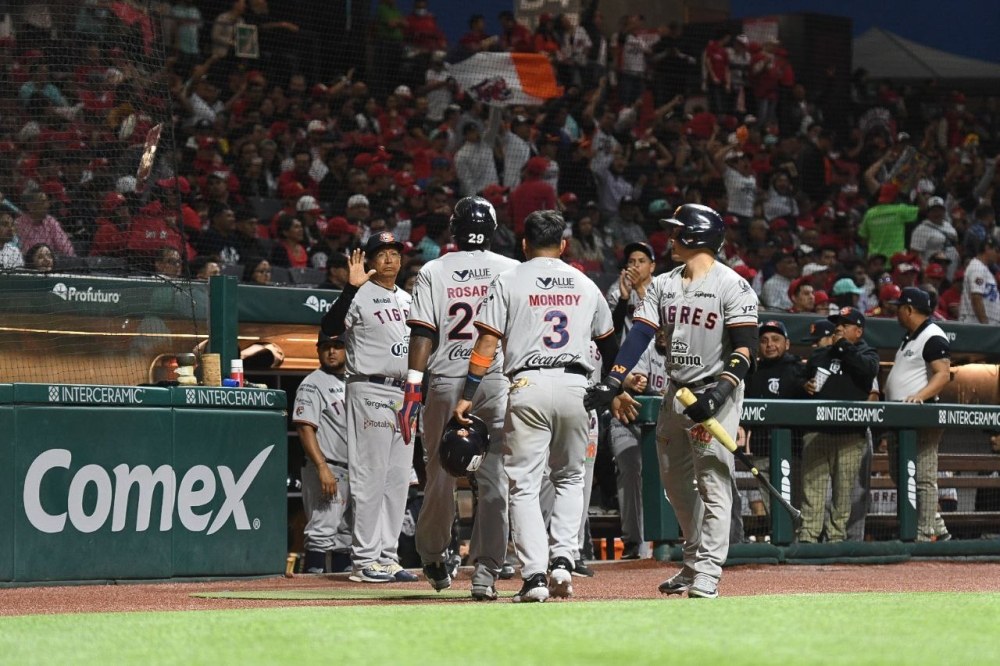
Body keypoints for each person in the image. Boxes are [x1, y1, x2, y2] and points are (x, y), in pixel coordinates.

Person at [587, 203, 759, 599]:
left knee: (713, 483)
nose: (671, 237)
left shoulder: (733, 285)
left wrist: (717, 395)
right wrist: (614, 381)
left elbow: (747, 350)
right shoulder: (664, 284)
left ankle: (709, 572)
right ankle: (693, 561)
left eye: (678, 230)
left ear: (697, 236)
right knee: (677, 487)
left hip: (716, 392)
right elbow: (639, 334)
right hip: (676, 393)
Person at [452, 210, 618, 603]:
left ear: (524, 244)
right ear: (564, 245)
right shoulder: (585, 282)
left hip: (528, 383)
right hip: (579, 385)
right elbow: (611, 345)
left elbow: (487, 346)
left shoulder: (509, 279)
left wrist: (467, 394)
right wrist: (614, 386)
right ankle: (564, 558)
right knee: (570, 478)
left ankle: (534, 578)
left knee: (524, 485)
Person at [398, 196, 519, 600]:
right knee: (495, 478)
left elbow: (423, 331)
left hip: (448, 378)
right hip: (497, 378)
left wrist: (414, 384)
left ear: (454, 229)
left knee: (440, 472)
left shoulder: (434, 268)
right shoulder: (512, 268)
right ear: (494, 228)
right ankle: (485, 571)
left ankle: (432, 555)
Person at [320, 232, 417, 584]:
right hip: (370, 387)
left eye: (395, 253)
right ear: (370, 261)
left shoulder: (410, 299)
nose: (390, 259)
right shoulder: (359, 295)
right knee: (370, 475)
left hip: (405, 393)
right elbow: (329, 329)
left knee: (396, 480)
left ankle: (387, 556)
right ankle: (363, 560)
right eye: (382, 254)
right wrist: (350, 289)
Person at [798, 308, 879, 543]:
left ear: (859, 331)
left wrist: (844, 347)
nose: (839, 328)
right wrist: (805, 384)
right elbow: (799, 378)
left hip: (850, 435)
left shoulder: (868, 353)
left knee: (843, 492)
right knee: (812, 489)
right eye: (837, 324)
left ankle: (835, 538)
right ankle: (808, 537)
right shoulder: (820, 354)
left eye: (846, 324)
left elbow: (868, 370)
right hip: (817, 432)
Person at [884, 287, 952, 541]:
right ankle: (939, 528)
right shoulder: (910, 337)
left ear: (910, 309)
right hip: (900, 419)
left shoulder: (933, 336)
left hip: (921, 419)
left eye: (899, 307)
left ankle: (924, 535)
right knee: (902, 475)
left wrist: (920, 396)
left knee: (921, 477)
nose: (896, 312)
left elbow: (943, 374)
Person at [293, 330, 354, 573]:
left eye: (338, 345)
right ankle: (311, 588)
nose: (331, 351)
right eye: (326, 346)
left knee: (346, 536)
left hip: (354, 469)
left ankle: (340, 596)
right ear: (318, 350)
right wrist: (322, 467)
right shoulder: (312, 383)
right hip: (328, 467)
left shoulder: (355, 380)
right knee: (321, 531)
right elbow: (304, 427)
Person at [741, 320, 807, 516]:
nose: (769, 344)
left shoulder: (799, 369)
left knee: (794, 502)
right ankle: (778, 541)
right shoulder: (751, 372)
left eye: (775, 339)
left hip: (793, 450)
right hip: (762, 448)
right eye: (764, 340)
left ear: (787, 344)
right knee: (771, 503)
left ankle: (794, 544)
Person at [606, 241, 655, 338]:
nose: (636, 265)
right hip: (630, 351)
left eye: (641, 261)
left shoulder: (663, 288)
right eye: (631, 261)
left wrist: (640, 288)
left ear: (652, 267)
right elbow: (613, 331)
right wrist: (623, 299)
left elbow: (662, 322)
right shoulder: (617, 292)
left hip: (657, 351)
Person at [959, 236, 1000, 324]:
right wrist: (985, 325)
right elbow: (976, 297)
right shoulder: (977, 267)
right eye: (997, 251)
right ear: (987, 248)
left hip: (985, 323)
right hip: (975, 322)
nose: (998, 255)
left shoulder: (984, 269)